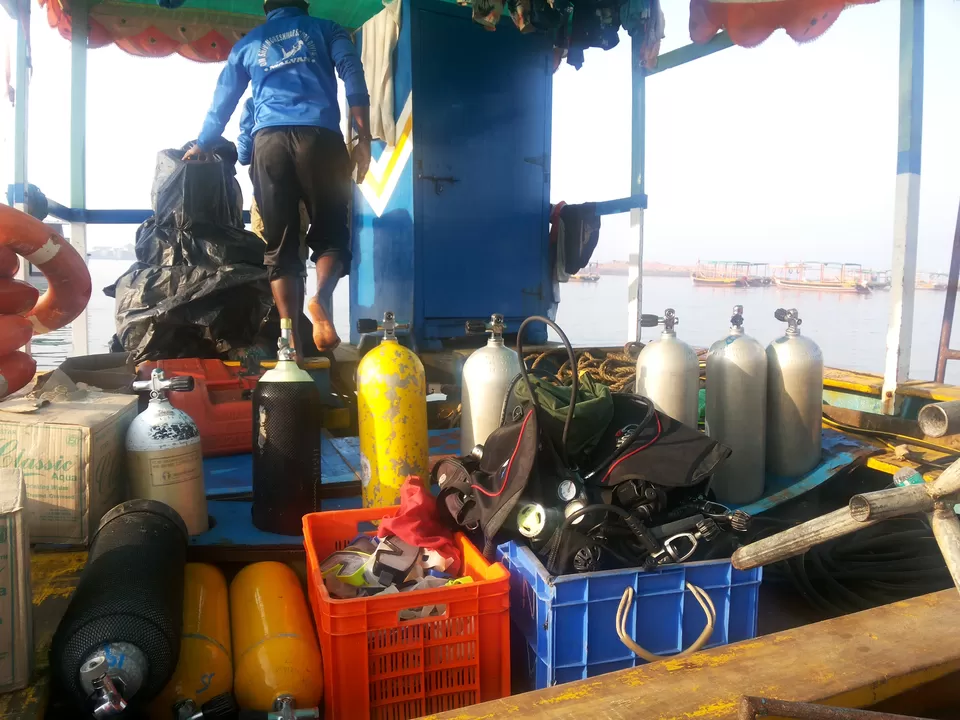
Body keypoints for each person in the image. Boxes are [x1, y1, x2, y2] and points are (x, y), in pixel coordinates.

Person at [184, 0, 371, 358]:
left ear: (267, 8)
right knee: (332, 235)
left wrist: (203, 142)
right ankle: (321, 298)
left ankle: (292, 345)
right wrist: (362, 135)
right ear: (304, 3)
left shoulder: (248, 44)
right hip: (320, 139)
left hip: (268, 144)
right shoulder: (327, 29)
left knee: (280, 250)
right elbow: (352, 72)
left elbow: (224, 98)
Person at [238, 97, 309, 260]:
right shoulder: (305, 100)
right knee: (296, 251)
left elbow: (244, 155)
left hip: (266, 195)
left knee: (267, 254)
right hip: (300, 195)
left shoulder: (254, 103)